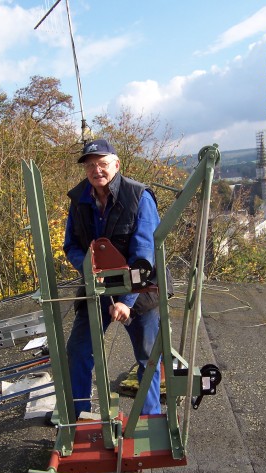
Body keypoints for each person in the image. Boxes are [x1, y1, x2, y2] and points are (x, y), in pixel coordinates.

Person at [63, 138, 165, 418]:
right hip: (97, 289)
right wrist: (89, 270)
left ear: (116, 165)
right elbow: (71, 245)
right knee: (78, 351)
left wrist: (126, 300)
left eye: (103, 164)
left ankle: (150, 416)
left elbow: (144, 254)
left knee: (148, 356)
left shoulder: (139, 196)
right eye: (91, 165)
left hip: (140, 289)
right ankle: (79, 418)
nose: (97, 170)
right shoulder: (79, 199)